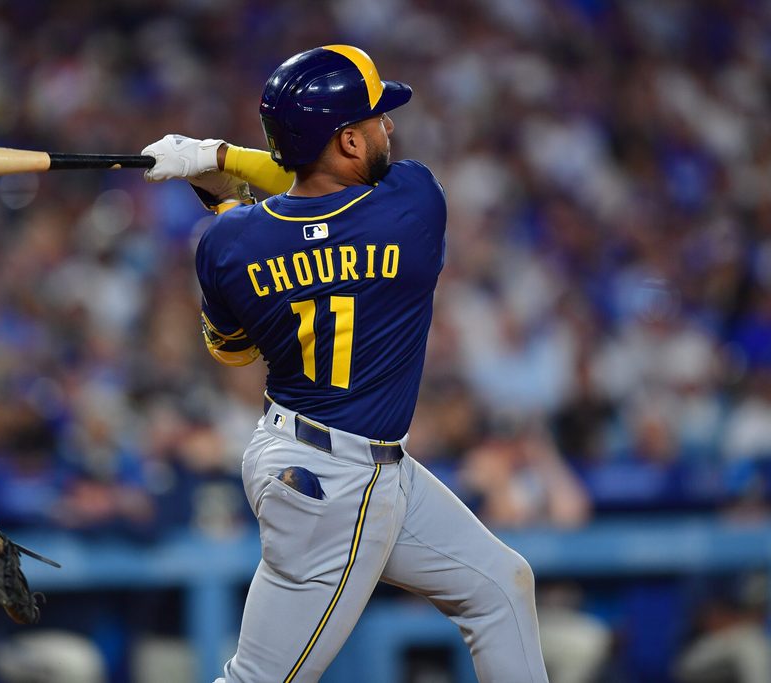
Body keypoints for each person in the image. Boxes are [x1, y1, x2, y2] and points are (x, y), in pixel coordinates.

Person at [142, 45, 549, 682]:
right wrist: (222, 160)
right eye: (376, 119)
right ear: (349, 142)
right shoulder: (416, 203)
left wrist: (224, 196)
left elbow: (233, 350)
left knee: (499, 586)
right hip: (336, 483)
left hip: (316, 455)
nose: (389, 126)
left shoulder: (226, 241)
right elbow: (327, 201)